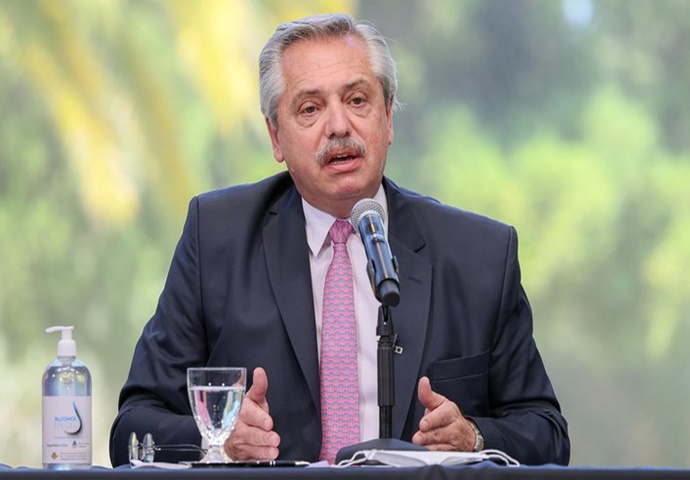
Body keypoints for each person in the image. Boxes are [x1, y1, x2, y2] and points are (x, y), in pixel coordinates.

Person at [109, 13, 570, 467]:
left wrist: (473, 437)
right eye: (310, 109)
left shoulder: (479, 255)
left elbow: (547, 433)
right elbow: (133, 427)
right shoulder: (217, 239)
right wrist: (219, 438)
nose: (339, 126)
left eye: (357, 100)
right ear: (275, 137)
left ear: (387, 117)